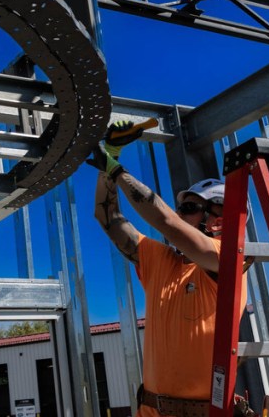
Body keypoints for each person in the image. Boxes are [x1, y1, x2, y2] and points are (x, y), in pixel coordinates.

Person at [88, 120, 251, 417]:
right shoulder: (161, 260)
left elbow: (165, 222)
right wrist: (108, 157)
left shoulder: (226, 260)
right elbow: (106, 216)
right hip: (150, 410)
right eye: (181, 208)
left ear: (218, 220)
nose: (179, 213)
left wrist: (116, 170)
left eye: (189, 208)